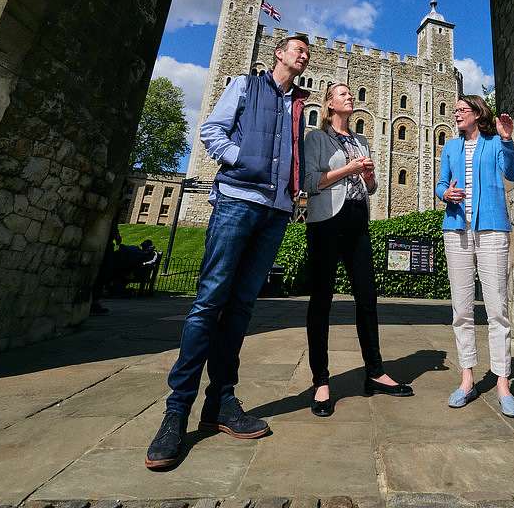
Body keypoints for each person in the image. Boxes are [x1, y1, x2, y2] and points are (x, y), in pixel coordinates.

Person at [145, 35, 311, 470]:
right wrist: (242, 159)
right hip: (237, 201)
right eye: (297, 48)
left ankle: (220, 401)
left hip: (276, 212)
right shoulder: (245, 85)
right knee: (209, 304)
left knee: (240, 309)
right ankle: (176, 411)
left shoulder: (299, 105)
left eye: (307, 52)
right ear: (278, 53)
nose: (304, 54)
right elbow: (211, 131)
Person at [303, 83, 413, 417]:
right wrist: (348, 169)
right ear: (329, 104)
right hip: (325, 221)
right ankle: (321, 381)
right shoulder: (317, 138)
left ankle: (375, 372)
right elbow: (310, 182)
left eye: (351, 94)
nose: (350, 97)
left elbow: (372, 188)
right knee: (321, 300)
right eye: (343, 94)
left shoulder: (361, 140)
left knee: (367, 297)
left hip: (356, 219)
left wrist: (368, 176)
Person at [435, 94, 514, 418]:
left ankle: (503, 383)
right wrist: (445, 193)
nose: (456, 113)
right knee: (461, 310)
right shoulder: (450, 147)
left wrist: (507, 140)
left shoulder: (495, 143)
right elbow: (441, 183)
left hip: (492, 230)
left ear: (477, 113)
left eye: (462, 109)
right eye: (455, 110)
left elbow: (513, 173)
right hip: (456, 230)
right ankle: (467, 378)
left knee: (497, 309)